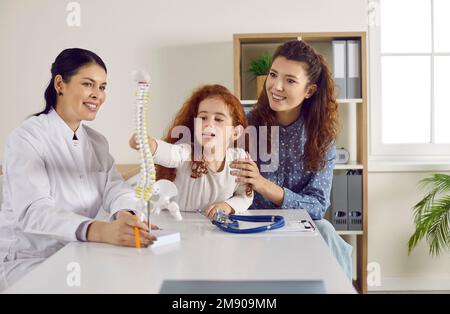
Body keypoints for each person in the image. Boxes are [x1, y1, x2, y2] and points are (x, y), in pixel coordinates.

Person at [0, 48, 156, 291]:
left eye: (103, 87)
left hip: (77, 254)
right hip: (28, 260)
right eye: (88, 84)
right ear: (60, 84)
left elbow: (114, 187)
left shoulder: (96, 142)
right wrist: (98, 230)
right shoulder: (28, 137)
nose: (97, 95)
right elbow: (33, 210)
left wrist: (125, 213)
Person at [230, 40, 353, 280]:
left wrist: (264, 185)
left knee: (326, 230)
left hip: (297, 226)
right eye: (273, 75)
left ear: (309, 91)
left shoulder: (322, 137)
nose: (276, 86)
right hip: (248, 223)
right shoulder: (243, 123)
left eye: (290, 80)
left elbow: (318, 206)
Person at [130, 84, 253, 218]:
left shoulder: (238, 159)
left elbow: (245, 196)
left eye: (218, 119)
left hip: (211, 231)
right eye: (203, 118)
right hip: (176, 226)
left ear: (235, 132)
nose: (209, 124)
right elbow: (170, 153)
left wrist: (228, 206)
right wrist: (147, 143)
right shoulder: (187, 152)